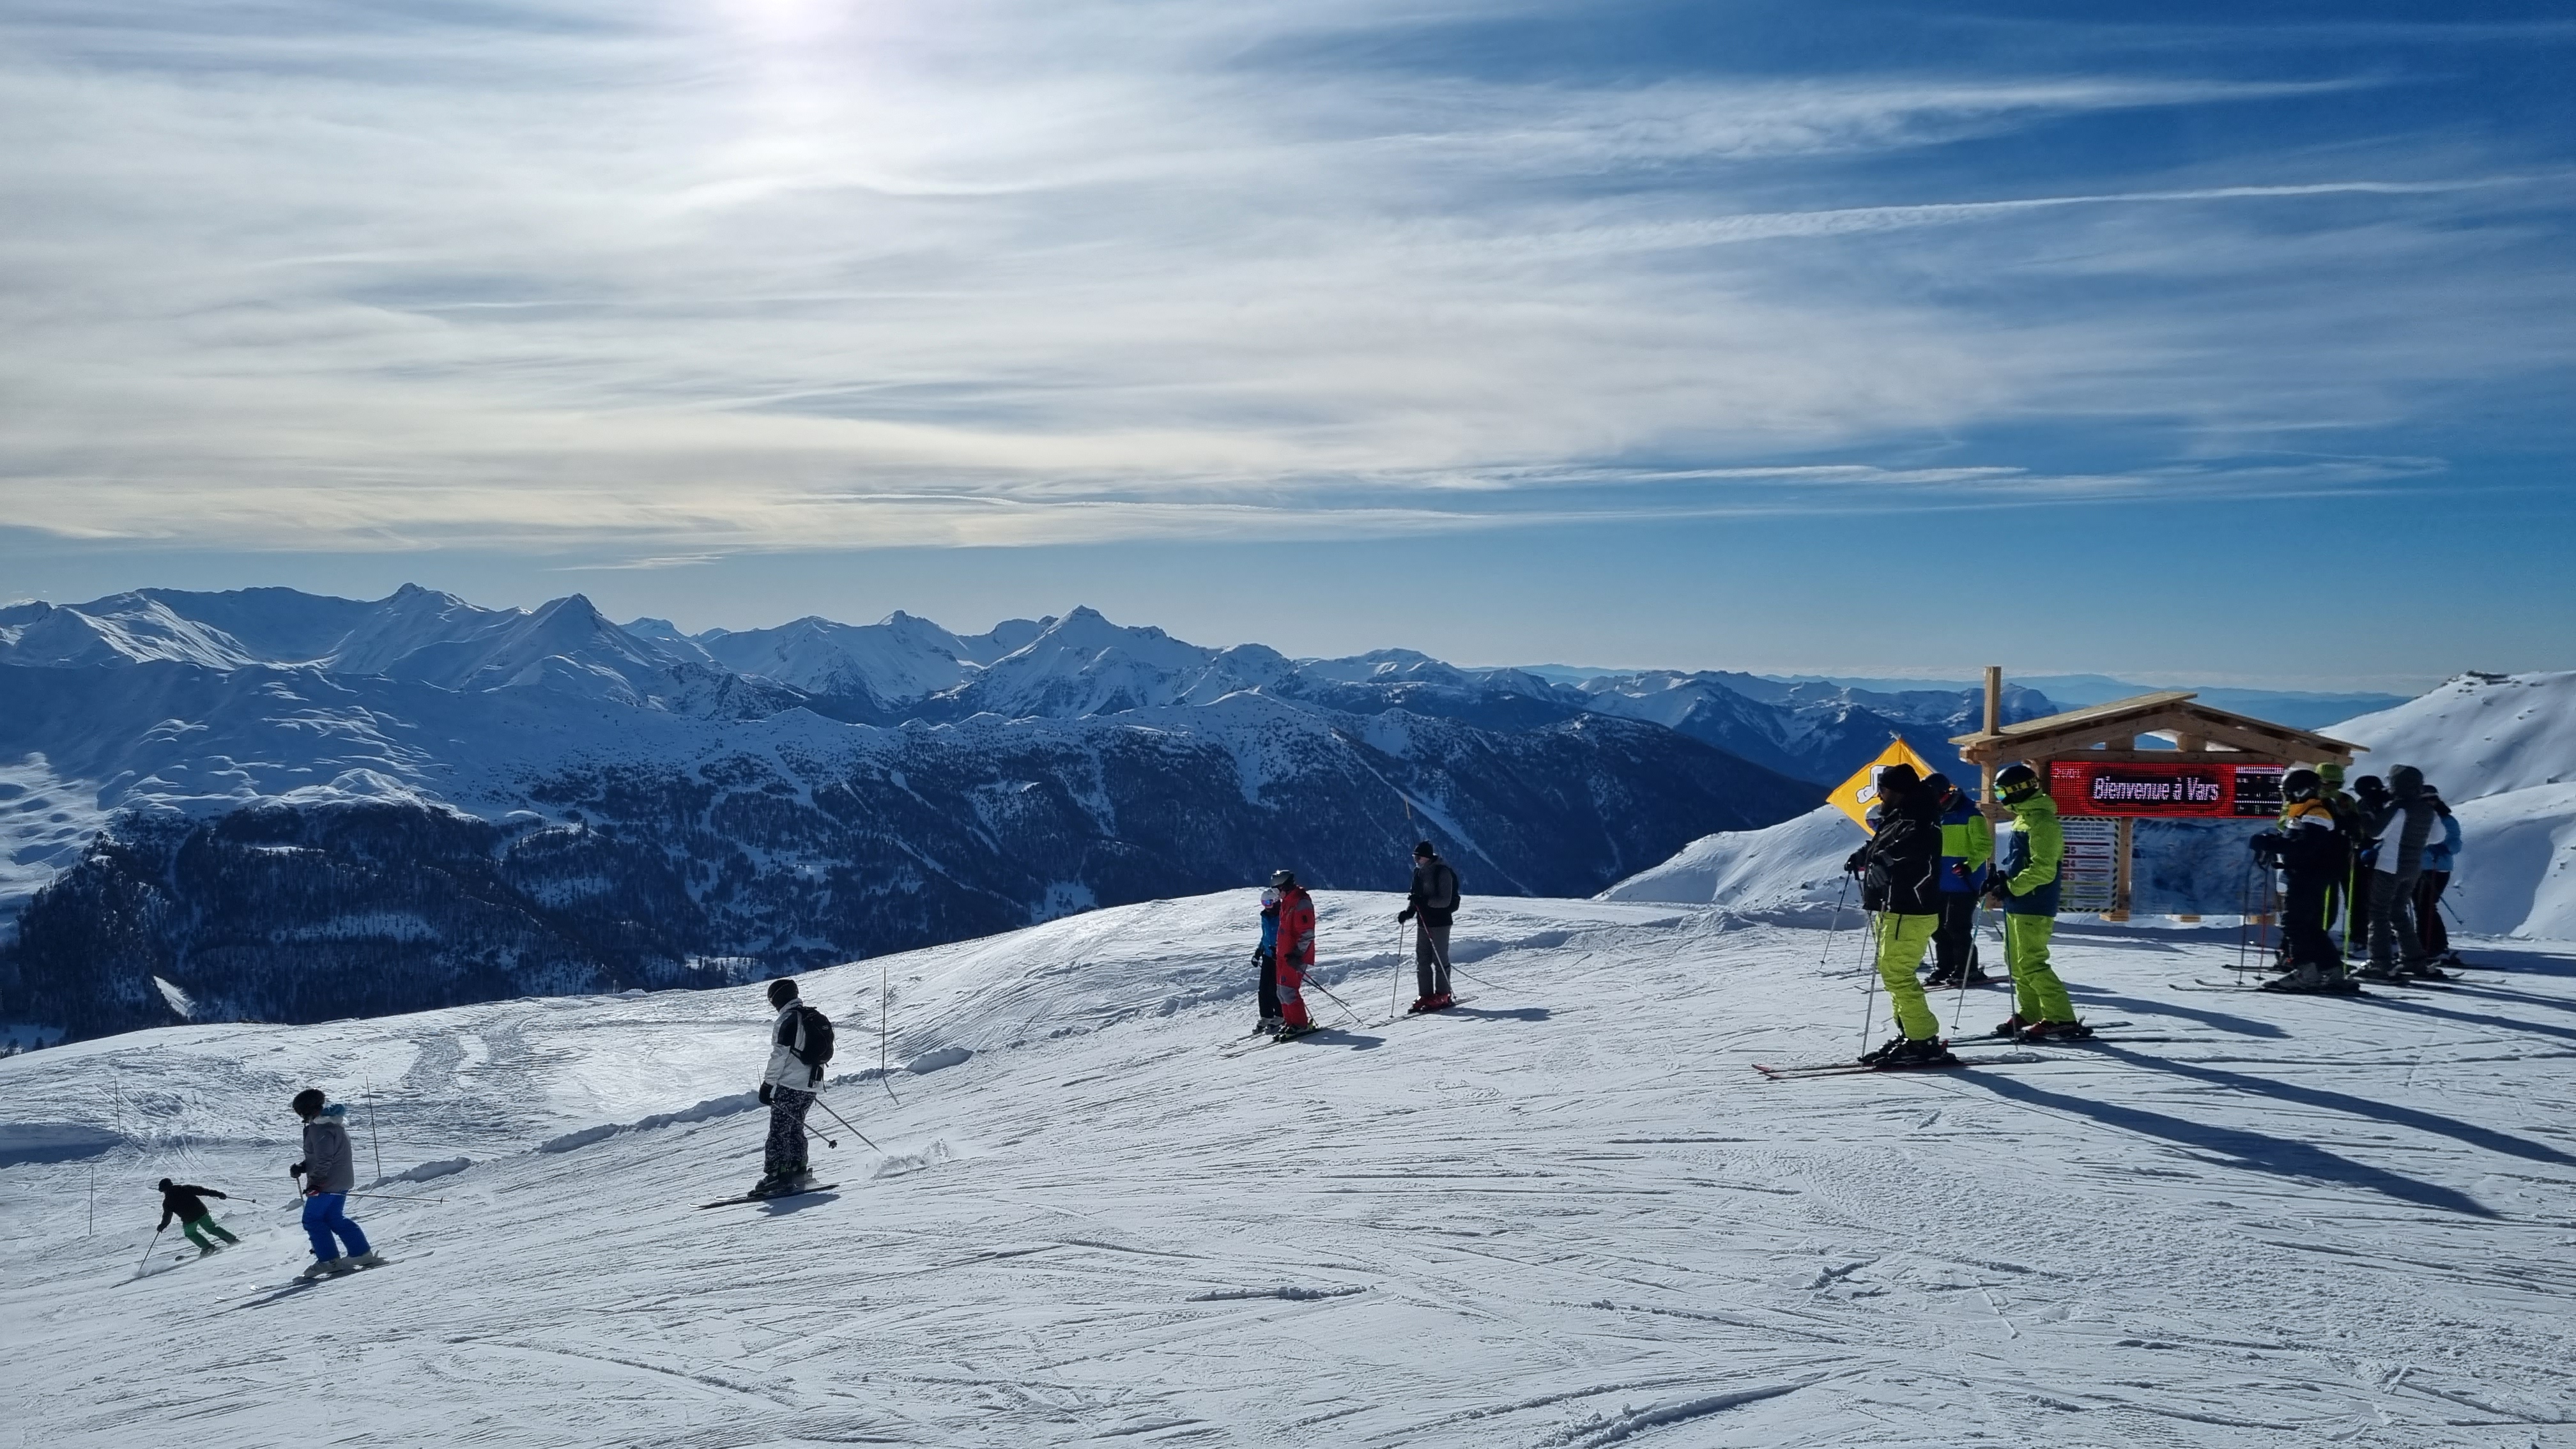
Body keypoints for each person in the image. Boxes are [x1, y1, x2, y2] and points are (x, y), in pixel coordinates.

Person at [1843, 763, 1955, 1068]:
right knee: (1892, 973)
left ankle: (1923, 1040)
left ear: (1896, 791)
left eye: (1882, 790)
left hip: (1909, 909)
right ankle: (1911, 1034)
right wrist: (1866, 855)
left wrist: (1885, 859)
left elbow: (1916, 845)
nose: (1879, 795)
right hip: (1895, 908)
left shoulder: (1921, 818)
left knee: (1898, 974)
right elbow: (1888, 843)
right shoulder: (1902, 814)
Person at [1986, 763, 2090, 1041]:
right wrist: (2001, 880)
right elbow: (2020, 860)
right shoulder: (2024, 818)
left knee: (2031, 962)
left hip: (2035, 901)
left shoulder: (2043, 822)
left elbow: (2044, 869)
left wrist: (2011, 886)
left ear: (2019, 790)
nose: (2000, 798)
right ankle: (2031, 1011)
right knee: (2015, 962)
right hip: (2018, 901)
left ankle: (2061, 1018)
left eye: (2002, 792)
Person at [2254, 768, 2350, 992]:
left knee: (2294, 923)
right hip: (2308, 874)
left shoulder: (2316, 813)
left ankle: (2306, 973)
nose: (2285, 796)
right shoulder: (2305, 811)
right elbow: (2298, 840)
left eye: (2287, 791)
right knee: (2310, 925)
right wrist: (2275, 842)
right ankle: (2331, 970)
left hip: (2308, 875)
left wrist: (2270, 844)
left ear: (2301, 791)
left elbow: (2304, 846)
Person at [2358, 765, 2446, 981]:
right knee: (2398, 912)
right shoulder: (2428, 810)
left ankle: (2380, 963)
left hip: (2390, 865)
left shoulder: (2398, 808)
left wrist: (2364, 813)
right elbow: (2438, 837)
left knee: (2379, 912)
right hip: (2414, 867)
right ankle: (2414, 959)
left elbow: (2376, 833)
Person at [289, 1088, 379, 1278]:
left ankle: (329, 1260)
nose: (300, 1116)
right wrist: (303, 1167)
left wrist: (316, 1183)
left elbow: (325, 1159)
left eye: (300, 1112)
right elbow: (324, 1155)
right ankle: (361, 1253)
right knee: (333, 1218)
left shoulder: (320, 1129)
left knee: (312, 1220)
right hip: (341, 1181)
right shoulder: (333, 1125)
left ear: (307, 1109)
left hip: (327, 1184)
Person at [755, 977, 829, 1197]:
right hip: (812, 1084)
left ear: (779, 999)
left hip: (790, 1085)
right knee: (796, 1127)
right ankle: (798, 1170)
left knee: (779, 1130)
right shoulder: (812, 1017)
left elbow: (779, 1056)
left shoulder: (787, 1020)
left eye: (772, 1001)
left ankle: (777, 1176)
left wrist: (767, 1085)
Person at [1920, 773, 1993, 990]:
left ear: (1941, 793)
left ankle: (1968, 969)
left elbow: (1984, 847)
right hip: (1940, 881)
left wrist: (1969, 865)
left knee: (1957, 927)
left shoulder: (1971, 814)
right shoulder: (1936, 815)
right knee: (1937, 926)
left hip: (1964, 881)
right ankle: (1946, 967)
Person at [1397, 841, 1462, 1013]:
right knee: (1423, 959)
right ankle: (1425, 995)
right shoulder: (1418, 873)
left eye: (1418, 857)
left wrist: (1424, 902)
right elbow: (1416, 897)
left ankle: (1443, 994)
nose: (1416, 861)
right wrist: (1409, 912)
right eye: (1414, 857)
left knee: (1439, 959)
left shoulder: (1442, 872)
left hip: (1440, 923)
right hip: (1423, 922)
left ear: (1427, 857)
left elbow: (1445, 901)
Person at [2315, 762, 2368, 955]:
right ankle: (2327, 934)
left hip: (2337, 856)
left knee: (2345, 899)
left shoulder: (2340, 800)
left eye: (2332, 783)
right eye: (2326, 783)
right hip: (2335, 856)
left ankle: (2354, 934)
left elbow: (2358, 828)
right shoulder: (2340, 800)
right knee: (2338, 899)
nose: (2328, 787)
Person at [2416, 785, 2464, 967]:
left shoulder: (2446, 820)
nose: (2429, 803)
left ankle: (2434, 946)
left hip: (2438, 868)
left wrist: (2441, 847)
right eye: (2425, 799)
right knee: (2420, 907)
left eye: (2433, 799)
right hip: (2417, 868)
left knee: (2426, 906)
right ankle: (2427, 945)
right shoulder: (2416, 818)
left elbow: (2455, 845)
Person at [1269, 870, 1318, 1039]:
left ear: (1285, 887)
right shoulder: (1287, 902)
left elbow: (1307, 933)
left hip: (1295, 956)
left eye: (1277, 890)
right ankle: (1290, 1022)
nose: (1276, 894)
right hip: (1285, 956)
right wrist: (1279, 950)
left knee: (1289, 990)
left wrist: (1297, 954)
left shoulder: (1301, 902)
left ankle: (1300, 1024)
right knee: (1281, 991)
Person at [156, 1178, 238, 1254]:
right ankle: (232, 1240)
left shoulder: (167, 1202)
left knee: (191, 1233)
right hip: (202, 1212)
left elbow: (167, 1217)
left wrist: (162, 1226)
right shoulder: (185, 1188)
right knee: (212, 1228)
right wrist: (219, 1194)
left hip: (189, 1219)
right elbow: (204, 1191)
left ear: (164, 1190)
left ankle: (208, 1248)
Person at [1252, 887, 1284, 1035]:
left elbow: (1286, 935)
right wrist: (1258, 952)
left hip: (1280, 957)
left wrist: (1280, 950)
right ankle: (1266, 1016)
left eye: (1269, 903)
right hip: (1267, 956)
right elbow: (1265, 936)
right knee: (1263, 988)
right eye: (1264, 903)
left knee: (1275, 987)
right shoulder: (1265, 916)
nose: (1266, 906)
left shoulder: (1282, 915)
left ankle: (1280, 1015)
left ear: (1276, 901)